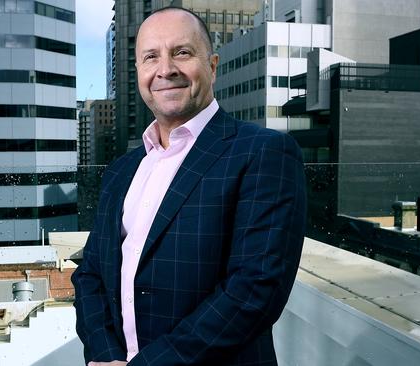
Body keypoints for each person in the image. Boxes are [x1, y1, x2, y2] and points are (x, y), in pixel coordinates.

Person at [72, 6, 306, 366]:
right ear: (138, 73)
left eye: (182, 52)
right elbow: (90, 275)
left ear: (212, 66)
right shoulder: (122, 170)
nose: (165, 69)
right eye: (151, 57)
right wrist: (105, 356)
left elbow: (255, 290)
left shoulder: (263, 152)